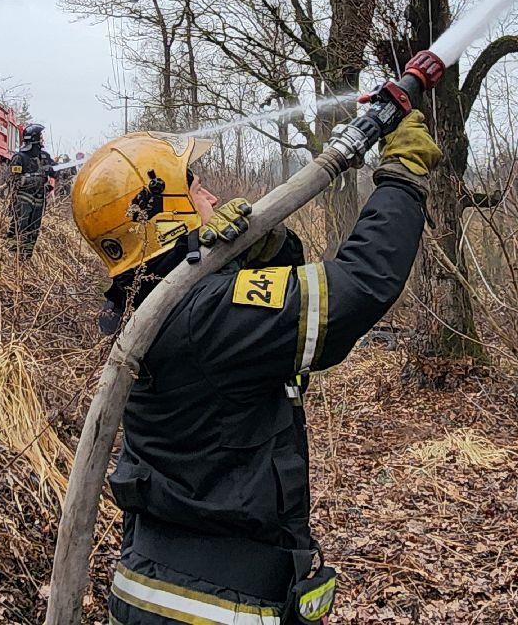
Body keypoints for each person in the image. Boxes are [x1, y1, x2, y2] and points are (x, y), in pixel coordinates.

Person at [70, 111, 442, 624]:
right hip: (215, 608)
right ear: (166, 209)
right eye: (197, 188)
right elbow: (359, 286)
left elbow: (264, 337)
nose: (213, 199)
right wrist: (402, 175)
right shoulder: (205, 316)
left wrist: (270, 249)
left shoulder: (146, 309)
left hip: (153, 589)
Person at [8, 122, 51, 259]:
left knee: (33, 232)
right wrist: (36, 178)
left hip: (39, 200)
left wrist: (53, 170)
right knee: (19, 228)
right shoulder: (19, 158)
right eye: (40, 136)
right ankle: (13, 259)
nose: (42, 139)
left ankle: (26, 259)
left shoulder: (44, 157)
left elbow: (56, 171)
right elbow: (13, 181)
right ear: (34, 138)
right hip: (23, 199)